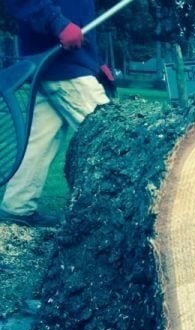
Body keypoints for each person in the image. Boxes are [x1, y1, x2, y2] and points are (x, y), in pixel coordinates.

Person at [0, 0, 115, 228]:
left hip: (64, 64)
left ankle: (16, 207)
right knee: (113, 140)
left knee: (38, 141)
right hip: (64, 68)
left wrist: (96, 61)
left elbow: (80, 19)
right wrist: (56, 22)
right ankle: (122, 214)